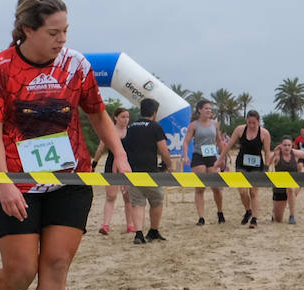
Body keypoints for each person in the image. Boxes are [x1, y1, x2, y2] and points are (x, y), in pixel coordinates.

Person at [0, 0, 129, 290]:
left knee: (56, 266)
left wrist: (120, 154)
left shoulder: (76, 65)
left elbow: (97, 112)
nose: (62, 39)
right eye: (53, 32)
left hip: (70, 178)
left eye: (65, 31)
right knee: (20, 270)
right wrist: (4, 181)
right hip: (17, 180)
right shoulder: (0, 67)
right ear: (27, 30)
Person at [124, 98, 173, 244]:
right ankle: (153, 230)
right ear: (154, 112)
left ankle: (138, 233)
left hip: (133, 171)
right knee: (156, 201)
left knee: (137, 203)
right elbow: (163, 150)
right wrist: (169, 165)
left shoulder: (131, 127)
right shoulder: (155, 127)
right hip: (151, 171)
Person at [221, 109, 270, 228]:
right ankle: (248, 210)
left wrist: (266, 167)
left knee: (253, 192)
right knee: (242, 191)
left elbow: (267, 152)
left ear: (258, 121)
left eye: (254, 123)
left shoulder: (264, 133)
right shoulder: (239, 130)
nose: (252, 125)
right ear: (246, 121)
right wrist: (220, 158)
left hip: (257, 165)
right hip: (241, 163)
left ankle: (254, 218)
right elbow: (229, 145)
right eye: (249, 122)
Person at [181, 99, 225, 226]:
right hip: (198, 156)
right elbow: (186, 142)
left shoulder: (215, 124)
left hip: (212, 155)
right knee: (200, 187)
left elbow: (219, 140)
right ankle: (201, 217)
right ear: (200, 110)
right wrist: (185, 156)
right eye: (206, 108)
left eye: (210, 109)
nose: (209, 110)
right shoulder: (194, 125)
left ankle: (220, 212)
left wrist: (222, 157)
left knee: (216, 187)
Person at [94, 106, 129, 235]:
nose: (126, 120)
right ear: (115, 118)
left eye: (127, 117)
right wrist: (94, 163)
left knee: (128, 197)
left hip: (126, 166)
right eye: (123, 117)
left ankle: (130, 225)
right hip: (110, 165)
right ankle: (106, 225)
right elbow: (100, 149)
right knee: (110, 196)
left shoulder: (130, 132)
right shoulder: (110, 131)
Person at [270, 136, 301, 224]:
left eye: (289, 145)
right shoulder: (277, 155)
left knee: (290, 189)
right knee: (278, 219)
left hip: (293, 184)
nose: (287, 147)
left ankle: (292, 216)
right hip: (279, 186)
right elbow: (267, 162)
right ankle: (274, 212)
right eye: (285, 145)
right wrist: (274, 153)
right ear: (281, 146)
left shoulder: (296, 154)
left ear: (292, 146)